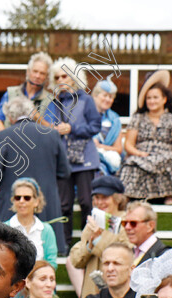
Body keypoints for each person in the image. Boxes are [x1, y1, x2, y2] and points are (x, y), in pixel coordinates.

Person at [0, 96, 69, 255]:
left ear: (10, 117)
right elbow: (64, 171)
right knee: (48, 257)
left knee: (12, 254)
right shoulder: (52, 135)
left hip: (14, 206)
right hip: (47, 208)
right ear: (32, 113)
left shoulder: (2, 136)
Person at [118, 71, 172, 205]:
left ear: (164, 99)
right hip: (142, 156)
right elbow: (129, 144)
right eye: (149, 98)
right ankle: (132, 197)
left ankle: (171, 196)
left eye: (155, 97)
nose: (152, 101)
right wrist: (139, 153)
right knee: (131, 166)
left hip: (165, 156)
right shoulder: (138, 118)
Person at [42, 58, 102, 251]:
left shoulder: (86, 99)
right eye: (57, 77)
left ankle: (87, 243)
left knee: (86, 201)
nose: (61, 80)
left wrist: (72, 128)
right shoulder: (53, 103)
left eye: (64, 75)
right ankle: (65, 244)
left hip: (84, 159)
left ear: (74, 77)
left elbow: (95, 126)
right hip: (62, 160)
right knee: (64, 204)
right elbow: (46, 129)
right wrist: (53, 130)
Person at [67, 176, 130, 298]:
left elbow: (123, 257)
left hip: (116, 295)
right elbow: (76, 260)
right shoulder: (92, 224)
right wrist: (90, 244)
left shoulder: (126, 223)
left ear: (117, 199)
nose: (100, 202)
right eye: (96, 198)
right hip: (91, 295)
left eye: (105, 197)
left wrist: (96, 241)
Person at [4, 178, 57, 268]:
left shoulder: (46, 230)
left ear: (36, 201)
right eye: (17, 197)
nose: (21, 201)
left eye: (27, 198)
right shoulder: (4, 228)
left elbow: (51, 263)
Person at [0, 52, 52, 131]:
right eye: (35, 71)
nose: (37, 76)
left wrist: (37, 117)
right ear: (28, 71)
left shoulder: (50, 100)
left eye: (42, 73)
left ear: (47, 77)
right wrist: (7, 139)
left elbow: (51, 130)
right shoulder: (10, 93)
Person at [123, 201, 172, 267]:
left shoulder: (164, 256)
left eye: (133, 223)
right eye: (125, 223)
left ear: (150, 226)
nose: (127, 227)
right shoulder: (129, 253)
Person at [92, 78, 123, 176]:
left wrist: (100, 147)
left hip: (106, 162)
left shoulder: (115, 119)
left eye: (110, 97)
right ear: (95, 96)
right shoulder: (84, 114)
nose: (107, 99)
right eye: (105, 95)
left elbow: (118, 149)